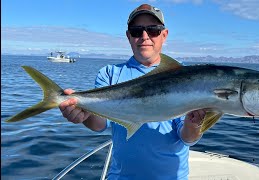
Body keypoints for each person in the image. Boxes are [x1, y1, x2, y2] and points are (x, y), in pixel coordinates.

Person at [59, 4, 207, 179]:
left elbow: (187, 138)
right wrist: (84, 114)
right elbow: (99, 124)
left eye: (153, 30)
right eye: (137, 31)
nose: (145, 37)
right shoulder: (110, 73)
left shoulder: (185, 78)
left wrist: (195, 123)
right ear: (129, 36)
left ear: (164, 35)